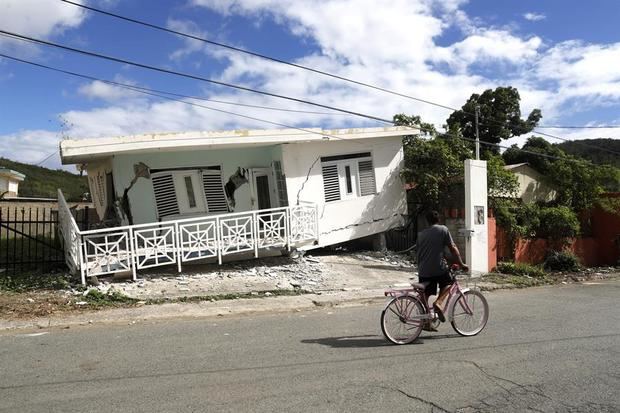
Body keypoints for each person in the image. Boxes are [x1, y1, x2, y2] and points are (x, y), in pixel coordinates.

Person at [416, 210, 468, 328]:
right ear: (438, 220)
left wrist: (421, 269)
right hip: (437, 268)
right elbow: (453, 248)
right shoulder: (443, 229)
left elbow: (418, 254)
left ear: (427, 221)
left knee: (426, 294)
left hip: (423, 270)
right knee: (450, 282)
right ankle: (439, 303)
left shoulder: (421, 234)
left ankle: (427, 322)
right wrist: (462, 263)